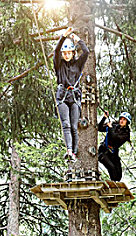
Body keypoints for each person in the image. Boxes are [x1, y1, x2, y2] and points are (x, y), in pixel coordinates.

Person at [54, 27, 89, 162]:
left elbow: (86, 52)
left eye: (69, 53)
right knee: (66, 124)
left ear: (73, 53)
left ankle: (73, 153)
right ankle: (68, 150)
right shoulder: (59, 65)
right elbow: (56, 51)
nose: (66, 55)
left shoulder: (78, 65)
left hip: (74, 97)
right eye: (65, 53)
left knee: (74, 126)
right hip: (62, 96)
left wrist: (78, 40)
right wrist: (64, 36)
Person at [97, 111, 131, 181]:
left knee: (118, 174)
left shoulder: (126, 134)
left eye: (124, 120)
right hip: (103, 151)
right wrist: (104, 118)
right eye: (121, 119)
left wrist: (110, 128)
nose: (121, 121)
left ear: (127, 122)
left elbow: (115, 138)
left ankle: (114, 184)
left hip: (113, 153)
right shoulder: (114, 125)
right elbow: (99, 128)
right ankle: (113, 183)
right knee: (112, 168)